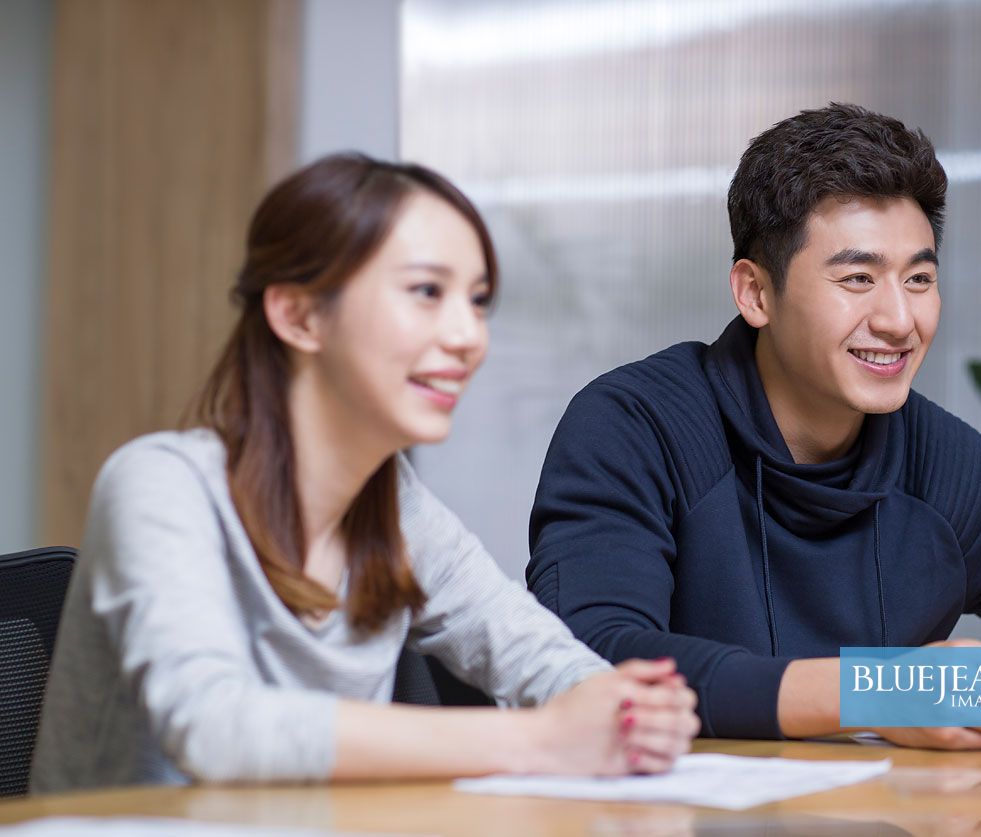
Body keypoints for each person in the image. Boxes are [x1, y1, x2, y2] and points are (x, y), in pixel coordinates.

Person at [526, 102, 981, 750]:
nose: (899, 319)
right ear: (755, 292)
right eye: (857, 279)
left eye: (918, 279)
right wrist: (880, 690)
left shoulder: (943, 464)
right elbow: (591, 655)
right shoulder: (636, 425)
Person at [31, 153, 698, 792]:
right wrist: (541, 739)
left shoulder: (394, 502)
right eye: (426, 292)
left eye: (478, 299)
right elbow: (214, 726)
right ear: (298, 314)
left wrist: (625, 710)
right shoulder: (160, 484)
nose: (468, 335)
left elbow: (537, 655)